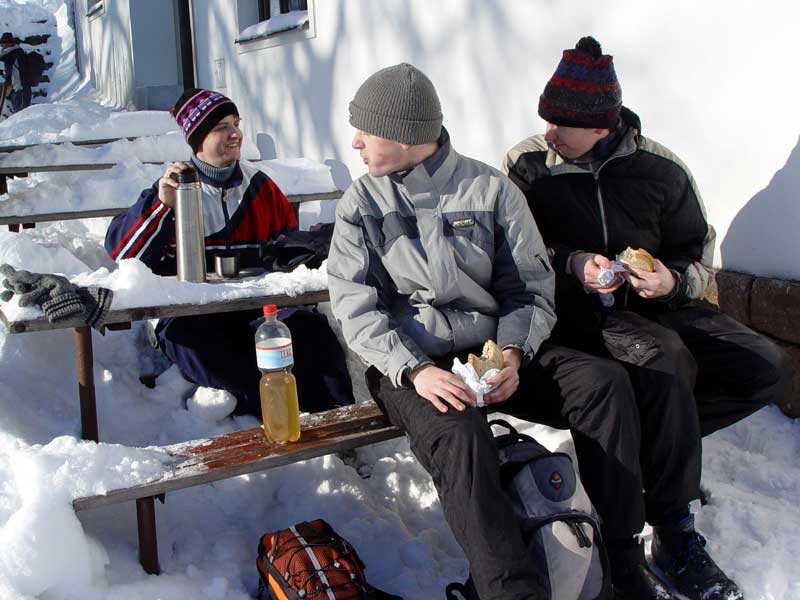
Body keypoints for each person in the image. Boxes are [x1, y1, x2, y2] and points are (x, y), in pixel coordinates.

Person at [329, 62, 654, 600]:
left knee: (603, 384)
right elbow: (356, 307)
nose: (356, 143)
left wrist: (513, 354)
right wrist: (416, 370)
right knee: (461, 434)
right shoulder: (361, 204)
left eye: (366, 130)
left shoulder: (490, 189)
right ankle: (510, 591)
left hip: (495, 352)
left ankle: (621, 557)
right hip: (412, 364)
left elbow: (527, 286)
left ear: (405, 136)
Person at [503, 36, 792, 600]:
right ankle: (672, 529)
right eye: (547, 119)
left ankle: (648, 452)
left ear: (602, 126)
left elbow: (696, 254)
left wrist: (671, 280)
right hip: (578, 313)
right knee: (664, 361)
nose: (549, 132)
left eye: (562, 124)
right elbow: (514, 251)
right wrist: (574, 263)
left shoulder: (661, 169)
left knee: (766, 366)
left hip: (660, 305)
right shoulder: (529, 166)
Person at [105, 88, 354, 417]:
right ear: (198, 139)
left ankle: (339, 416)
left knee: (311, 332)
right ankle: (271, 411)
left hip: (255, 307)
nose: (235, 133)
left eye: (236, 123)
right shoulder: (175, 187)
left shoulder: (260, 187)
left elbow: (288, 249)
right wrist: (161, 206)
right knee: (198, 346)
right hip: (192, 315)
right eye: (222, 127)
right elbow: (124, 254)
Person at [0, 32, 31, 114]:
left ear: (10, 43)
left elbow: (9, 71)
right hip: (16, 89)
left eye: (4, 43)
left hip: (21, 89)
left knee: (21, 114)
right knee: (18, 114)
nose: (2, 45)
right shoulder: (12, 53)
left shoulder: (14, 53)